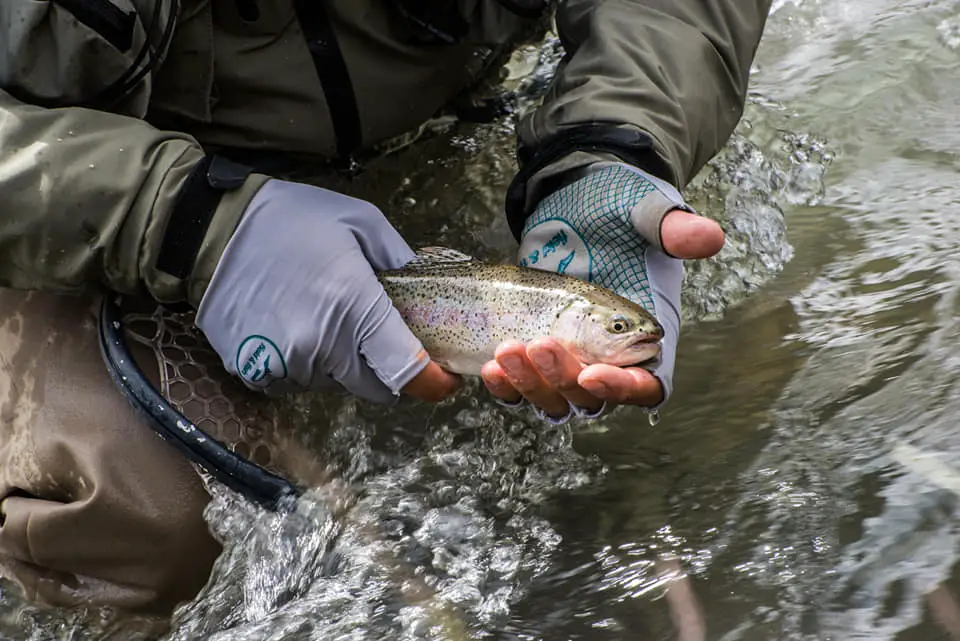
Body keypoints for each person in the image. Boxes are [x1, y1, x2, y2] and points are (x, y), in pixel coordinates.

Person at [0, 0, 770, 617]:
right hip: (67, 208)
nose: (629, 333)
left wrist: (616, 147)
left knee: (730, 381)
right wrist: (188, 224)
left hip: (408, 137)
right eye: (616, 325)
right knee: (153, 513)